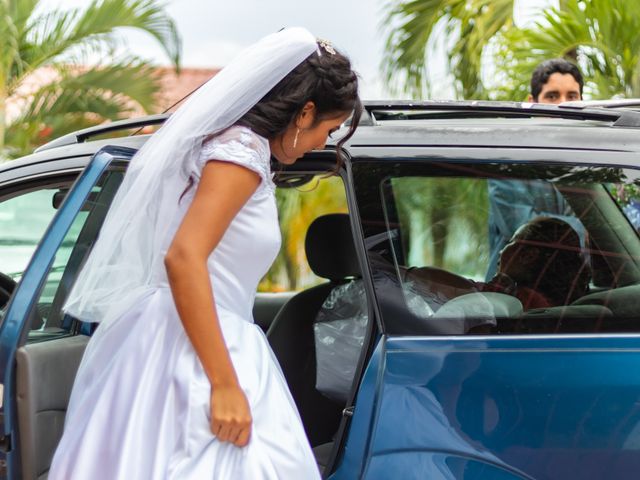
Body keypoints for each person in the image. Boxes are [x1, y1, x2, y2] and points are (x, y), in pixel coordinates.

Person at [49, 28, 361, 479]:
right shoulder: (240, 154)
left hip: (183, 335)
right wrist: (224, 384)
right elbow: (184, 257)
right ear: (305, 112)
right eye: (328, 130)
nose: (323, 144)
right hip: (198, 350)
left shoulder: (234, 149)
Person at [486, 58, 586, 278]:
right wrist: (587, 230)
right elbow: (527, 233)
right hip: (514, 296)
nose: (563, 105)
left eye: (572, 97)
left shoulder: (592, 160)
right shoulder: (508, 160)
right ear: (532, 103)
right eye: (552, 96)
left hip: (572, 291)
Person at [482, 216, 591, 310]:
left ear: (528, 256)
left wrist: (502, 278)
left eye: (511, 242)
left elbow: (476, 294)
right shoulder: (551, 302)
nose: (501, 251)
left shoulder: (519, 298)